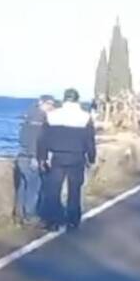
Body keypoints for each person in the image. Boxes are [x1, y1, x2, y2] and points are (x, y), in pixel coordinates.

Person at [37, 88, 97, 231]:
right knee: (74, 190)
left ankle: (53, 221)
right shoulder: (85, 117)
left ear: (64, 99)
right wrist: (91, 158)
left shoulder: (52, 116)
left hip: (57, 157)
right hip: (77, 157)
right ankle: (72, 220)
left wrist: (42, 158)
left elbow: (43, 139)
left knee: (53, 191)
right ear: (77, 100)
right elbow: (90, 141)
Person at [14, 94, 56, 226]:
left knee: (23, 187)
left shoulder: (28, 115)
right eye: (48, 104)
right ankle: (30, 216)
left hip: (22, 155)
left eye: (52, 104)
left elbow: (23, 138)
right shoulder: (39, 118)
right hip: (31, 156)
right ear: (41, 103)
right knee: (33, 187)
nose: (51, 107)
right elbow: (35, 139)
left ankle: (19, 215)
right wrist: (35, 157)